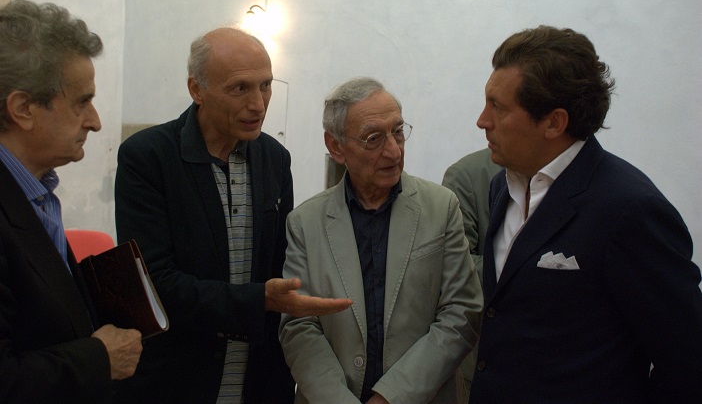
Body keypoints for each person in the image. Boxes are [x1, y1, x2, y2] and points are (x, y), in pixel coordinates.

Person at [114, 27, 351, 403]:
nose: (258, 104)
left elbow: (278, 263)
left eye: (266, 85)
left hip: (257, 382)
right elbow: (154, 285)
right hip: (178, 381)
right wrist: (260, 300)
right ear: (197, 90)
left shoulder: (274, 158)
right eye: (240, 88)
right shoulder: (148, 158)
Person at [470, 25, 702, 403]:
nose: (482, 120)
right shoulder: (503, 186)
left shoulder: (628, 209)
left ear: (554, 122)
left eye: (498, 107)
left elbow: (688, 361)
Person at [279, 77, 483, 404]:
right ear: (336, 146)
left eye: (398, 131)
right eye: (373, 138)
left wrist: (391, 397)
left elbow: (461, 314)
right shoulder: (305, 223)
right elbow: (299, 326)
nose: (393, 150)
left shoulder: (441, 208)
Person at [0, 0, 143, 402]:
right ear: (23, 109)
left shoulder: (37, 193)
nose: (95, 121)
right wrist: (99, 358)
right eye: (82, 101)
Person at [441, 147, 500, 398]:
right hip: (484, 363)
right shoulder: (466, 175)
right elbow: (455, 265)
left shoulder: (589, 179)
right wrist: (528, 270)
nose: (484, 126)